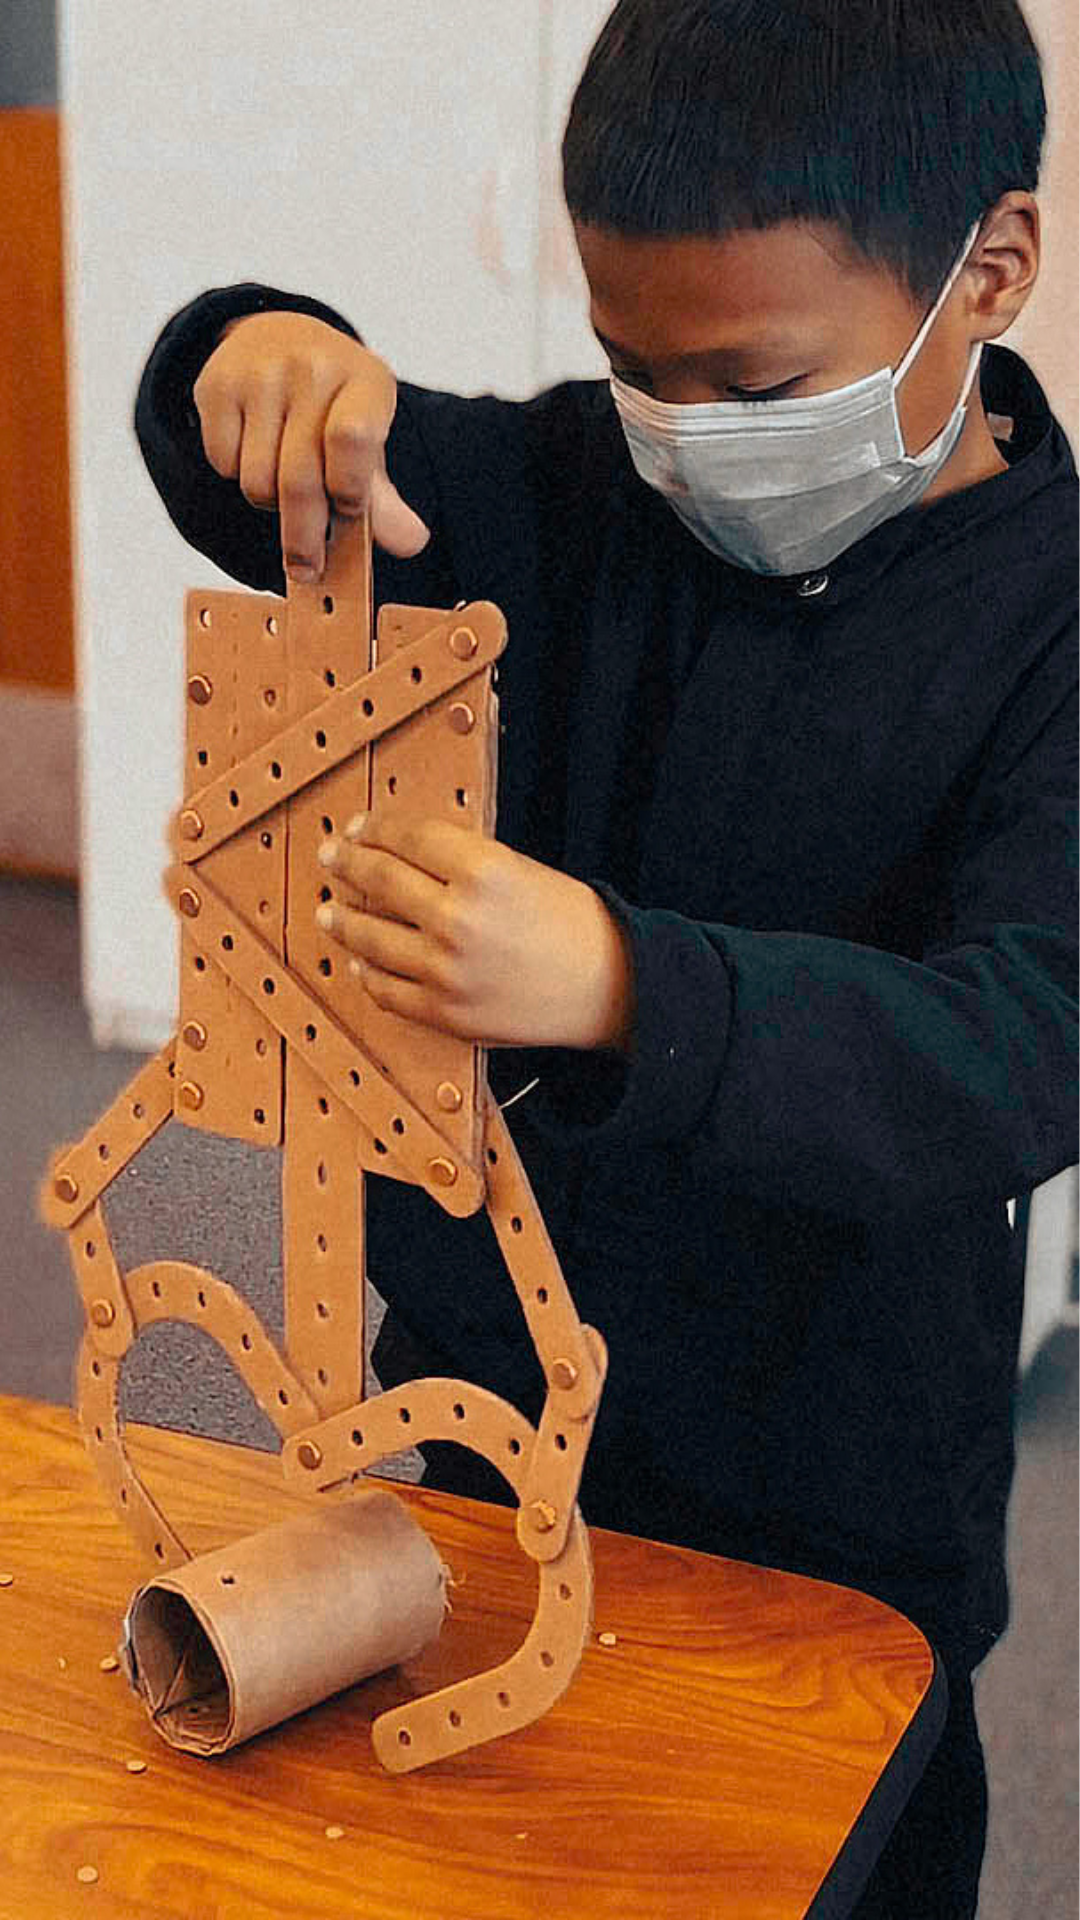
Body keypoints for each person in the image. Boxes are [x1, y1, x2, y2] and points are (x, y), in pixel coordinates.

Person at [133, 1, 1076, 1910]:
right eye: (635, 368)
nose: (687, 440)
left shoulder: (1052, 620)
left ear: (989, 270)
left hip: (836, 1502)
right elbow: (252, 464)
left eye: (751, 386)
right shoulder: (579, 487)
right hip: (480, 1428)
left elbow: (1027, 1038)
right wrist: (241, 348)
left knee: (819, 1851)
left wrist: (631, 987)